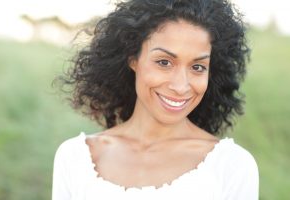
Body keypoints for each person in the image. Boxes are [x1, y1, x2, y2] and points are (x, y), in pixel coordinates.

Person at [52, 0, 259, 199]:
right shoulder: (75, 158)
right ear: (133, 58)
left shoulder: (231, 166)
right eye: (164, 62)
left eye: (197, 67)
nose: (180, 86)